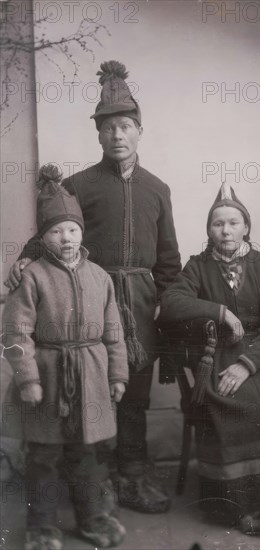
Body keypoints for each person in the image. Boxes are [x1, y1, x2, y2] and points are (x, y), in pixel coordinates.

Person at [5, 61, 181, 514]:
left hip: (140, 306)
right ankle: (91, 481)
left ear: (139, 130)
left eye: (125, 125)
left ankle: (133, 476)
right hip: (88, 300)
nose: (117, 135)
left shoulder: (158, 188)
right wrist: (25, 256)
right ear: (98, 135)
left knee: (133, 393)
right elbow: (51, 229)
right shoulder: (79, 184)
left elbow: (168, 259)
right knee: (88, 392)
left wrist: (165, 302)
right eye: (108, 128)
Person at [159, 182, 260, 535]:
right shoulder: (198, 266)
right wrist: (219, 311)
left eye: (233, 223)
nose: (226, 230)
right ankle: (249, 503)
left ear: (246, 227)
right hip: (218, 353)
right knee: (241, 406)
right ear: (209, 229)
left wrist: (247, 364)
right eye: (218, 223)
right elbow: (171, 303)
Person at [2, 164, 129, 549]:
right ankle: (42, 526)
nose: (66, 237)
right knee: (43, 456)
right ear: (43, 237)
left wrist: (117, 375)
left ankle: (93, 518)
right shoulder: (33, 277)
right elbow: (14, 334)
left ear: (82, 232)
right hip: (48, 378)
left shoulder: (100, 277)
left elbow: (113, 333)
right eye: (56, 231)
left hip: (89, 377)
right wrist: (28, 379)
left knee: (87, 454)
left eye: (72, 229)